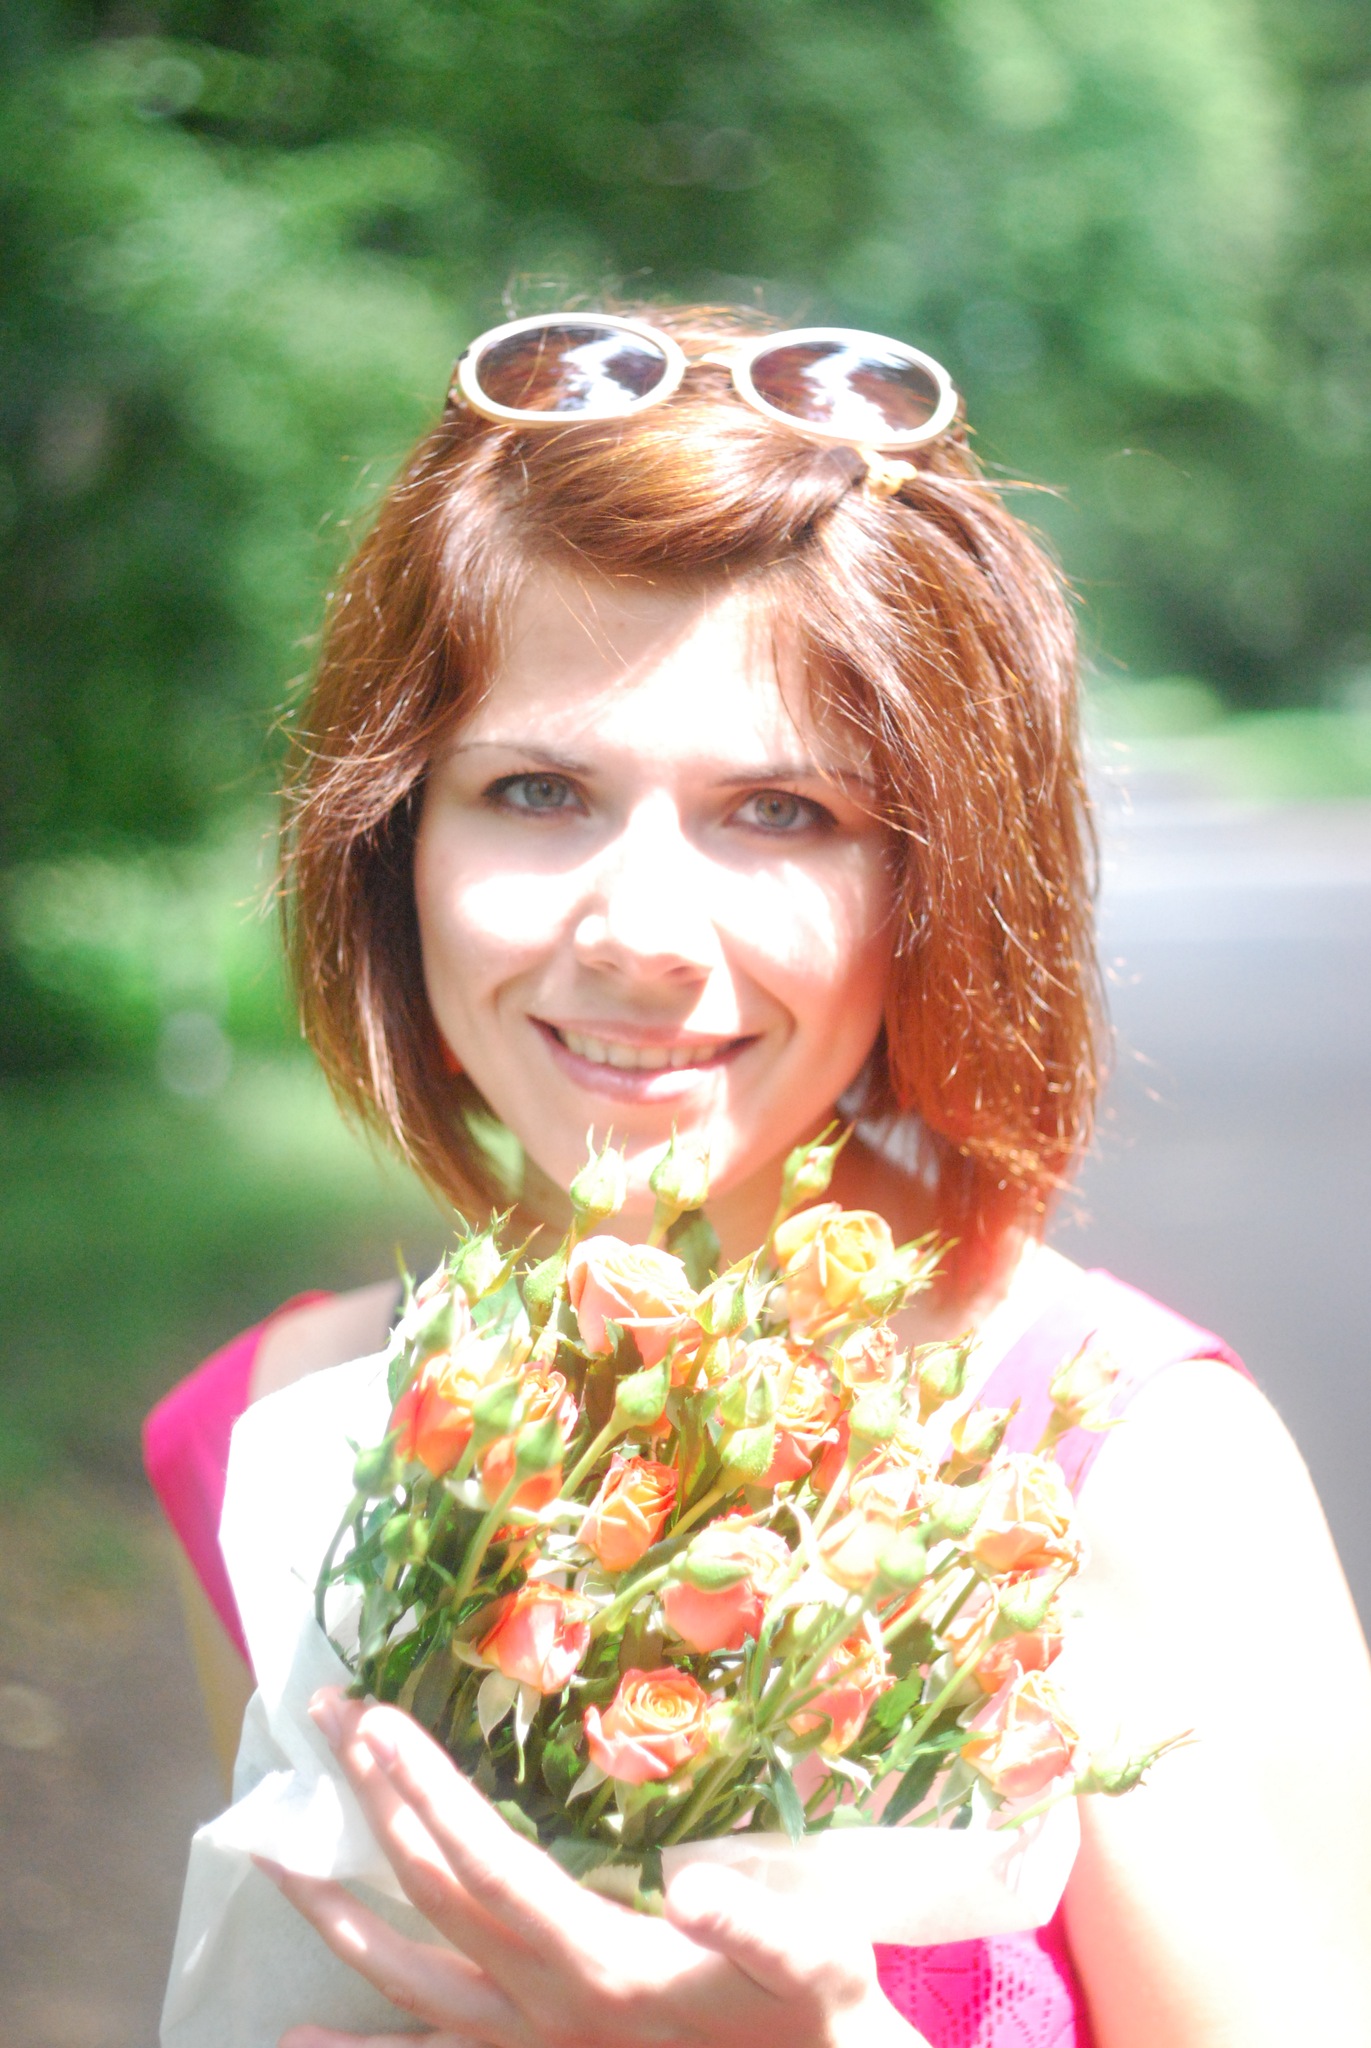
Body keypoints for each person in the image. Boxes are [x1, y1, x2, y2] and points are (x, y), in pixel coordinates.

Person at [144, 307, 1371, 2048]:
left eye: (781, 811)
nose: (640, 931)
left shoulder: (1125, 1475)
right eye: (538, 790)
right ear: (394, 842)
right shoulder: (286, 1442)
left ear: (935, 883)